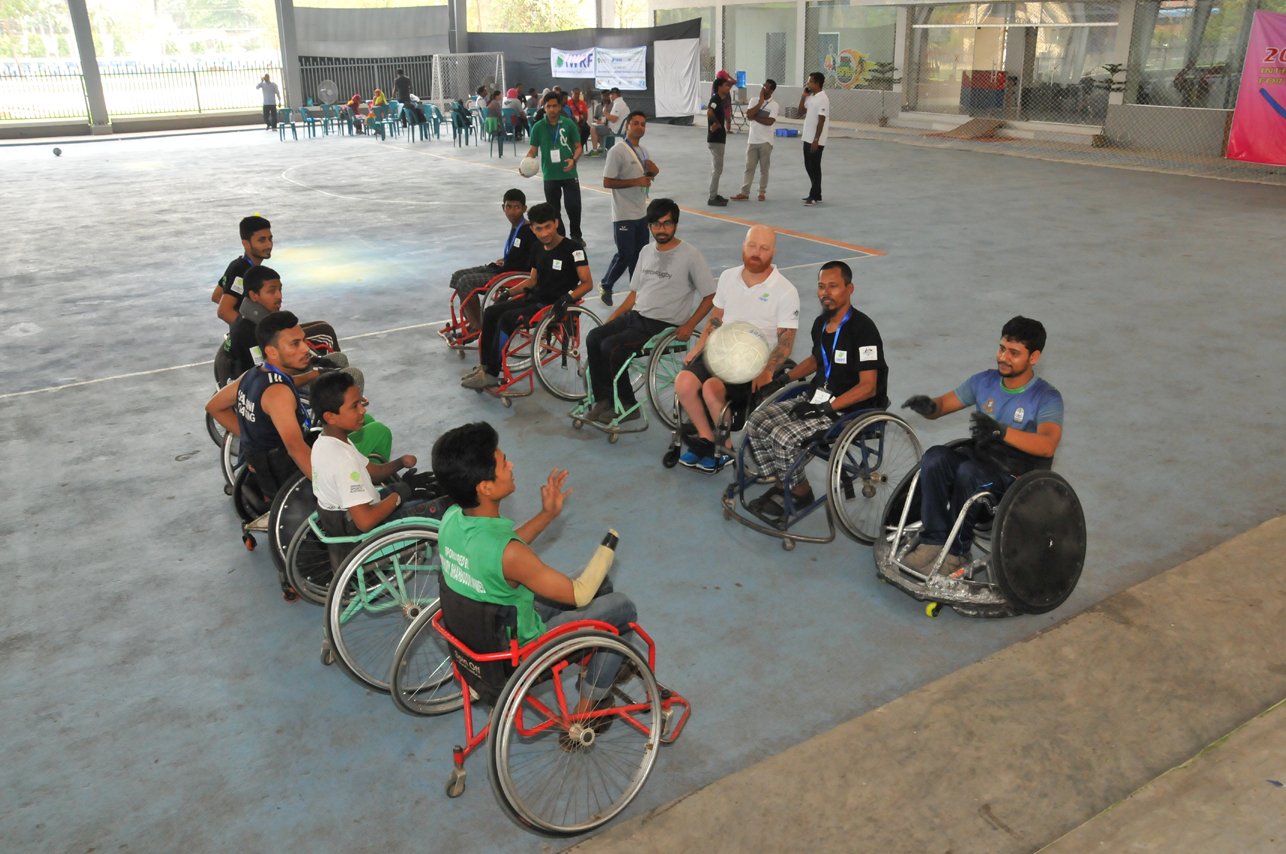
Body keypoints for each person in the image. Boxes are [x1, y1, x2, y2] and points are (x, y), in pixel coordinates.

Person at [432, 421, 636, 721]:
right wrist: (608, 547)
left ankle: (594, 668)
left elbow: (500, 555)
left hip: (482, 640)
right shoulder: (511, 554)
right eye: (503, 462)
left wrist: (547, 514)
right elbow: (579, 594)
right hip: (523, 652)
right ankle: (590, 707)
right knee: (621, 608)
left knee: (600, 584)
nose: (510, 463)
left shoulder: (451, 519)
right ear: (485, 487)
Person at [899, 317, 1064, 577]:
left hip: (1015, 477)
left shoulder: (1047, 397)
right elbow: (943, 404)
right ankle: (934, 541)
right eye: (1001, 348)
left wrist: (1002, 431)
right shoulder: (984, 382)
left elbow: (1047, 445)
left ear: (1034, 357)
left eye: (1014, 353)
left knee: (969, 473)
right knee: (934, 458)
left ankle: (957, 552)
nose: (1003, 357)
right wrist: (930, 407)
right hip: (979, 462)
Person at [744, 261, 887, 517]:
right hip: (816, 398)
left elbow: (868, 387)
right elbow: (815, 360)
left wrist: (825, 407)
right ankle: (783, 481)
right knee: (758, 421)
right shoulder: (821, 323)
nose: (825, 292)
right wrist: (783, 380)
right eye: (821, 286)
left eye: (833, 286)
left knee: (784, 436)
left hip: (849, 410)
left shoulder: (864, 330)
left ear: (849, 288)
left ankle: (800, 490)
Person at [674, 225, 800, 473]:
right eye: (752, 246)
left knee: (711, 389)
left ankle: (725, 449)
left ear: (773, 252)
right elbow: (716, 318)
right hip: (720, 352)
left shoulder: (786, 291)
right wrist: (698, 348)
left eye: (764, 248)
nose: (756, 253)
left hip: (751, 362)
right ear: (743, 246)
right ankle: (706, 439)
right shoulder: (729, 277)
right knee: (684, 382)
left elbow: (786, 342)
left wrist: (767, 370)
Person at [583, 198, 715, 425]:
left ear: (676, 224)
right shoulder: (645, 251)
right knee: (595, 337)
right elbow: (634, 294)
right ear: (648, 225)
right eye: (656, 224)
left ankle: (627, 404)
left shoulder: (691, 256)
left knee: (611, 347)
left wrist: (690, 325)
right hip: (636, 317)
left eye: (667, 223)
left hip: (662, 324)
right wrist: (612, 320)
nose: (661, 229)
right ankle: (604, 399)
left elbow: (711, 296)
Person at [462, 202, 592, 391]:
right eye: (539, 229)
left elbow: (587, 283)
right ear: (533, 229)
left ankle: (491, 373)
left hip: (553, 305)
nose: (544, 233)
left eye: (548, 227)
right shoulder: (538, 248)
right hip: (535, 300)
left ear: (556, 223)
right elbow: (532, 281)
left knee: (507, 319)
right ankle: (485, 366)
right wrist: (507, 293)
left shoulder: (573, 249)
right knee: (491, 312)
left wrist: (568, 297)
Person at [206, 311, 316, 502]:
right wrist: (330, 488)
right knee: (372, 431)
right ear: (271, 351)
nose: (306, 349)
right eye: (295, 344)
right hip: (287, 477)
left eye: (304, 340)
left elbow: (214, 406)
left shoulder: (251, 375)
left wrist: (250, 435)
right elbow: (296, 449)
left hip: (263, 472)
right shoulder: (279, 394)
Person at [309, 371, 425, 535]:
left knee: (421, 489)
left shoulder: (325, 442)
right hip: (365, 533)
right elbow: (365, 521)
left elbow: (373, 473)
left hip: (344, 519)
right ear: (331, 417)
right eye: (354, 406)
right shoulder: (343, 461)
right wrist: (402, 492)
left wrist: (400, 462)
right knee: (438, 507)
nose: (363, 410)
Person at [448, 188, 536, 333]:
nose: (512, 211)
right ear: (503, 208)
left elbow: (533, 257)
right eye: (508, 207)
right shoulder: (516, 228)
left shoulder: (528, 231)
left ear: (524, 209)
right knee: (457, 275)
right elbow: (518, 252)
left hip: (512, 275)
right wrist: (507, 258)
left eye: (517, 207)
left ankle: (478, 325)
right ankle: (473, 319)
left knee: (466, 282)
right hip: (504, 267)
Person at [599, 110, 660, 306]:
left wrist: (654, 173)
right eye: (635, 123)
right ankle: (606, 285)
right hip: (623, 213)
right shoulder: (617, 151)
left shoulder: (644, 151)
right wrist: (637, 181)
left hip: (641, 212)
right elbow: (607, 182)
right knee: (625, 253)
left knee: (640, 256)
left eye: (643, 124)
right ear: (627, 126)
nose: (639, 127)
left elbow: (645, 179)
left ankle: (637, 294)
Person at [522, 92, 584, 247]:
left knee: (573, 206)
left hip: (569, 172)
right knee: (554, 210)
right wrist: (525, 164)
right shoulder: (538, 127)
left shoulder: (568, 124)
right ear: (544, 107)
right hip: (550, 175)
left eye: (554, 106)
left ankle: (576, 235)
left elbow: (578, 147)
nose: (551, 109)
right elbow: (533, 151)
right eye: (548, 106)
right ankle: (561, 237)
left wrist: (574, 159)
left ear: (559, 106)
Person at [213, 215, 272, 326]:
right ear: (246, 243)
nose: (269, 244)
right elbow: (223, 311)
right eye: (262, 240)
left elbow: (217, 295)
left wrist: (245, 315)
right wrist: (249, 332)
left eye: (270, 239)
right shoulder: (241, 271)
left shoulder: (237, 264)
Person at [730, 79, 779, 202]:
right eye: (763, 86)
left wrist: (754, 116)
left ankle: (761, 192)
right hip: (753, 140)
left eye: (767, 87)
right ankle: (744, 192)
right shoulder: (753, 100)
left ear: (772, 90)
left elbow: (769, 122)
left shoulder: (774, 105)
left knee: (764, 168)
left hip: (766, 141)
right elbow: (748, 115)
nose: (763, 88)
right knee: (749, 167)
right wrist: (760, 103)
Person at [798, 72, 830, 206]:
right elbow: (800, 113)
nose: (808, 83)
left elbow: (821, 120)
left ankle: (814, 195)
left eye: (810, 81)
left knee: (814, 167)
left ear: (817, 83)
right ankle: (817, 192)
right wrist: (803, 97)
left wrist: (816, 139)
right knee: (808, 165)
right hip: (807, 137)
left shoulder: (823, 98)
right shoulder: (811, 97)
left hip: (815, 139)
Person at [706, 76, 733, 206]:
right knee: (717, 169)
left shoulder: (719, 101)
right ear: (719, 87)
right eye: (726, 85)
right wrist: (717, 123)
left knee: (716, 168)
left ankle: (714, 194)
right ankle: (712, 197)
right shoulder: (715, 100)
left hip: (719, 140)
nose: (728, 87)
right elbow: (710, 112)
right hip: (716, 140)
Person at [589, 88, 628, 155]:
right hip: (616, 127)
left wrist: (605, 113)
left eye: (609, 95)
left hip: (615, 129)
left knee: (593, 129)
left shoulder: (617, 104)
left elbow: (613, 119)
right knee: (599, 127)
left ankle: (594, 150)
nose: (609, 97)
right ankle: (601, 148)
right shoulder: (620, 103)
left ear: (614, 95)